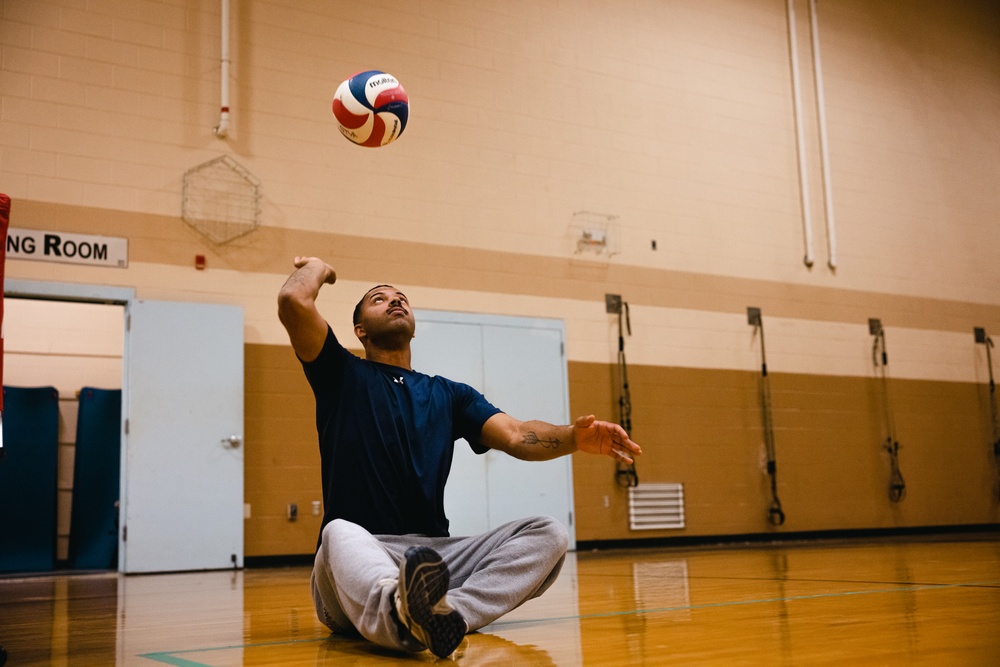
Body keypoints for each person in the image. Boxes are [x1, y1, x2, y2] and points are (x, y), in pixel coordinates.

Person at [278, 256, 641, 659]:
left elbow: (518, 435)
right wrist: (320, 268)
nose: (395, 301)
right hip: (356, 562)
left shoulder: (449, 395)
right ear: (360, 329)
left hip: (433, 555)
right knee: (338, 532)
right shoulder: (339, 373)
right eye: (379, 299)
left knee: (549, 532)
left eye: (402, 299)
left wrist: (574, 437)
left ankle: (448, 616)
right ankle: (399, 615)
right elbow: (294, 298)